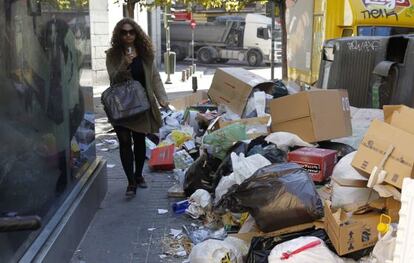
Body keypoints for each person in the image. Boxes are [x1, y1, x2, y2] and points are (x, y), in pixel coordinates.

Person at [106, 18, 168, 197]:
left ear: (137, 34)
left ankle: (139, 175)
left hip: (141, 106)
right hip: (121, 107)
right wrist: (125, 62)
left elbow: (154, 77)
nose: (128, 36)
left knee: (139, 142)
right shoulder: (113, 55)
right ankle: (130, 182)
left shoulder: (145, 53)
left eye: (131, 32)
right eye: (124, 32)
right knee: (125, 143)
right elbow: (114, 78)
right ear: (119, 34)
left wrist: (162, 98)